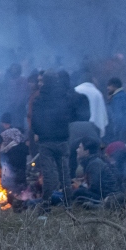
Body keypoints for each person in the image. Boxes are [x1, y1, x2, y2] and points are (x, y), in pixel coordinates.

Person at [30, 70, 81, 206]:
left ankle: (45, 207)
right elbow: (71, 116)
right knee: (65, 174)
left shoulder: (39, 99)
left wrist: (40, 133)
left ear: (45, 82)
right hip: (62, 140)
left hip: (45, 142)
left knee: (48, 176)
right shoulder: (64, 97)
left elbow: (34, 121)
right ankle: (68, 206)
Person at [71, 137, 119, 206]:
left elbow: (95, 188)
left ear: (87, 151)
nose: (77, 150)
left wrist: (80, 186)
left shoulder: (95, 163)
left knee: (78, 192)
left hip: (106, 197)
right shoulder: (91, 162)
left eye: (79, 148)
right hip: (101, 195)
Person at [105, 78, 126, 143]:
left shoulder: (117, 98)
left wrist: (116, 131)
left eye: (109, 86)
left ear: (114, 86)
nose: (107, 88)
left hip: (122, 130)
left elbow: (118, 116)